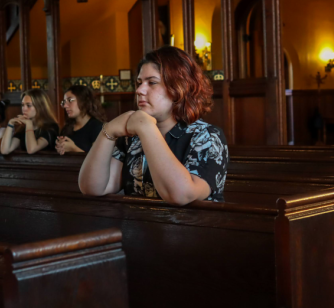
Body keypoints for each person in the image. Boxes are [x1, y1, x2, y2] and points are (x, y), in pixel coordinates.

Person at [79, 46, 229, 205]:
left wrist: (146, 127)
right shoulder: (131, 139)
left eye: (152, 82)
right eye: (139, 82)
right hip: (138, 227)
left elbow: (181, 195)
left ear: (179, 87)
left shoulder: (207, 137)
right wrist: (107, 132)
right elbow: (92, 188)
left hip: (193, 228)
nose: (139, 90)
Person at [1, 89, 59, 155]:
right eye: (23, 105)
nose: (24, 109)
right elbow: (5, 150)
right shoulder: (23, 129)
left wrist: (29, 124)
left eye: (28, 105)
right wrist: (10, 124)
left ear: (40, 107)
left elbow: (31, 149)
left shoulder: (50, 127)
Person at [56, 85, 107, 155]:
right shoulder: (66, 128)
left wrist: (74, 149)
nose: (65, 106)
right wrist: (60, 147)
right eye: (64, 102)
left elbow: (99, 159)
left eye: (70, 100)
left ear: (84, 101)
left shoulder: (97, 127)